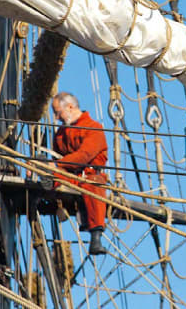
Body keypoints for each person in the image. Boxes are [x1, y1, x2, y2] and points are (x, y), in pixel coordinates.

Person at [51, 92, 109, 255]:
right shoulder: (60, 134)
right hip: (68, 175)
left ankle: (95, 238)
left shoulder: (93, 127)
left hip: (89, 176)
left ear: (70, 107)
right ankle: (46, 185)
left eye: (58, 112)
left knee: (94, 186)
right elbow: (55, 157)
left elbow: (84, 156)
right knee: (50, 172)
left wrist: (56, 164)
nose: (56, 118)